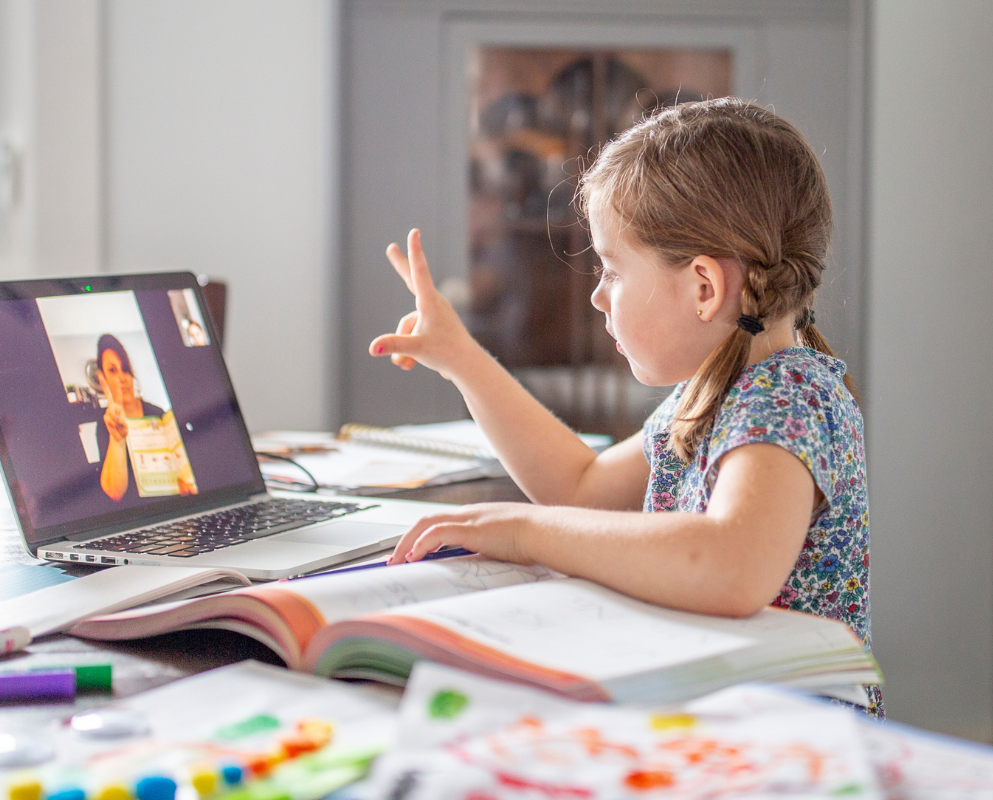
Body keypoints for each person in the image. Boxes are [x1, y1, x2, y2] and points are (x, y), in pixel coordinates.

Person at [370, 98, 880, 717]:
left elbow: (731, 566)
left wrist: (524, 533)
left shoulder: (785, 399)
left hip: (790, 751)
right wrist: (461, 358)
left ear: (703, 287)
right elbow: (581, 488)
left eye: (612, 270)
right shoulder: (717, 393)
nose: (597, 296)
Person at [95, 334, 192, 501]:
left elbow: (180, 463)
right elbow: (114, 492)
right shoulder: (106, 425)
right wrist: (117, 439)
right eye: (112, 370)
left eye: (125, 368)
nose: (121, 377)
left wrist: (185, 481)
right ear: (103, 378)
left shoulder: (158, 413)